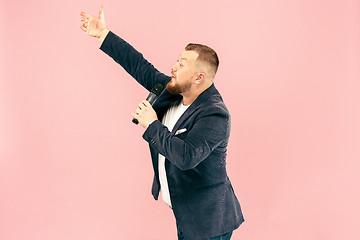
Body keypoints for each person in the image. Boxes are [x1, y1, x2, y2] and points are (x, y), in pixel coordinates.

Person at [80, 6, 244, 240]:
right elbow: (139, 66)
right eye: (178, 60)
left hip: (208, 225)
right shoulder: (175, 90)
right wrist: (103, 34)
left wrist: (152, 124)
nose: (174, 67)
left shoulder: (215, 115)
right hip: (185, 214)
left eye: (182, 64)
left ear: (199, 77)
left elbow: (187, 157)